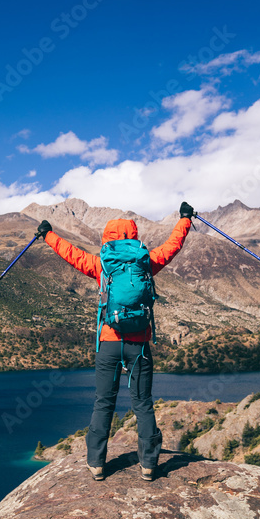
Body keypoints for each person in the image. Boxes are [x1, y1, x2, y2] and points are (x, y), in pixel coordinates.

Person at [35, 202, 195, 482]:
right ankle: (148, 465)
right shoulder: (146, 261)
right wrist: (184, 219)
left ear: (107, 237)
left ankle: (96, 463)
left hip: (109, 342)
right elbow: (173, 246)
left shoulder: (102, 264)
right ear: (134, 236)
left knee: (103, 403)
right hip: (139, 344)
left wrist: (48, 235)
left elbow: (71, 254)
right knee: (143, 402)